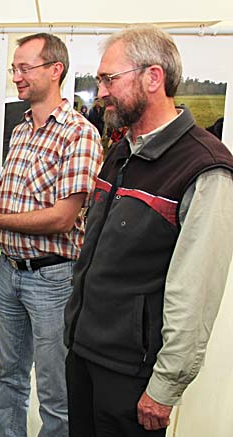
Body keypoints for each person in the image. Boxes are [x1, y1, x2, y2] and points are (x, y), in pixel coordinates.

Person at [64, 25, 233, 436]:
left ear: (153, 77)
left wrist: (165, 386)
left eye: (109, 79)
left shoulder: (204, 167)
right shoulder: (122, 151)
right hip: (86, 354)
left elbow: (195, 292)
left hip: (133, 375)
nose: (100, 92)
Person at [0, 33, 103, 437]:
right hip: (10, 272)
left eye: (24, 68)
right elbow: (9, 199)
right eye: (15, 68)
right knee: (9, 378)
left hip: (53, 280)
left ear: (55, 70)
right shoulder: (22, 129)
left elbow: (63, 218)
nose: (16, 77)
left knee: (55, 392)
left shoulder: (79, 134)